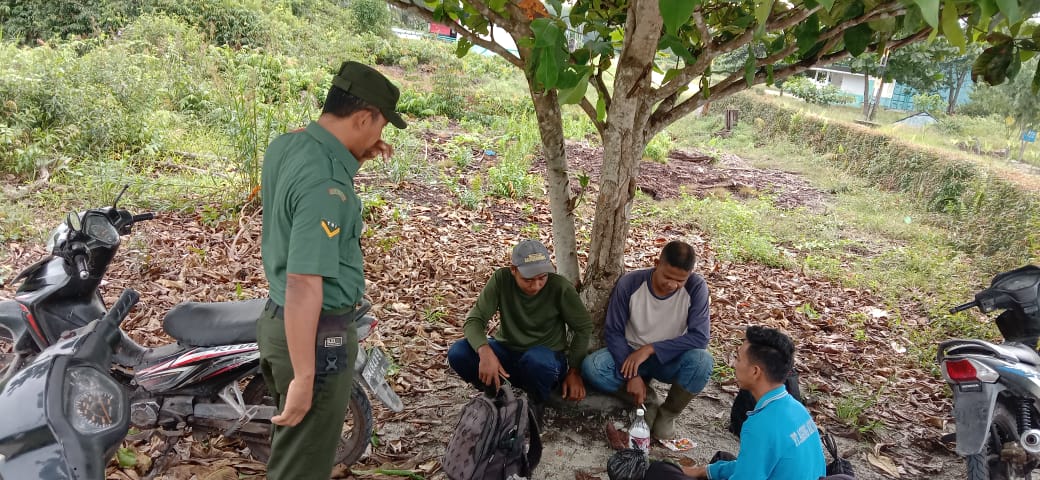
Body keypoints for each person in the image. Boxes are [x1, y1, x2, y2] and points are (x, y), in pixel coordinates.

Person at [257, 61, 406, 480]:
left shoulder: (288, 145)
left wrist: (358, 152)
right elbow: (305, 283)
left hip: (280, 323)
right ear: (363, 117)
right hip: (315, 336)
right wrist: (306, 376)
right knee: (301, 469)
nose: (380, 137)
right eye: (380, 126)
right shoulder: (327, 185)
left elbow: (306, 189)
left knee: (294, 454)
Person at [650, 326, 826, 480]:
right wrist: (703, 471)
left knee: (661, 471)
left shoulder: (760, 426)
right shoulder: (798, 409)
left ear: (755, 371)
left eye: (739, 359)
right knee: (722, 462)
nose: (734, 364)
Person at [581, 240, 714, 440]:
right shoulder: (630, 283)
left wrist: (650, 349)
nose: (672, 285)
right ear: (656, 263)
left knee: (702, 362)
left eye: (680, 280)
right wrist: (632, 376)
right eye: (667, 277)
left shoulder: (696, 287)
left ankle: (667, 414)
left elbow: (700, 337)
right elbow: (614, 331)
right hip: (629, 355)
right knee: (593, 367)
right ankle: (649, 400)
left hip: (669, 359)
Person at [447, 239, 592, 407]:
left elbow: (583, 327)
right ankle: (496, 393)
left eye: (542, 277)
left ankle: (536, 402)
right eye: (528, 280)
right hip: (507, 352)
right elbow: (474, 320)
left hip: (544, 359)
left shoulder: (560, 287)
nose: (536, 286)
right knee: (459, 352)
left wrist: (574, 371)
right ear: (513, 270)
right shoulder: (501, 279)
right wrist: (485, 352)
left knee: (537, 362)